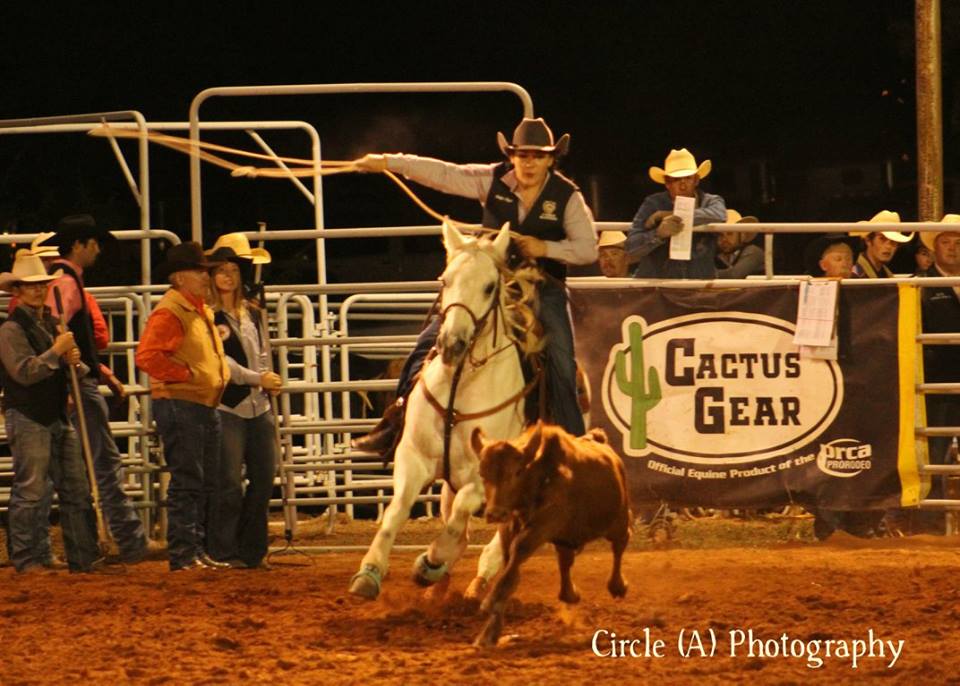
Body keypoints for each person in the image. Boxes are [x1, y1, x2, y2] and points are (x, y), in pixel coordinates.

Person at [352, 117, 597, 452]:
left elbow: (588, 249)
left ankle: (571, 448)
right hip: (490, 284)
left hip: (543, 287)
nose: (528, 162)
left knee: (561, 363)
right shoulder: (491, 179)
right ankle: (395, 424)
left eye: (537, 156)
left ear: (551, 159)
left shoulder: (567, 197)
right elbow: (445, 174)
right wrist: (388, 162)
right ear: (512, 156)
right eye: (522, 155)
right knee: (425, 345)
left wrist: (546, 248)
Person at [41, 215, 152, 563]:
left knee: (88, 461)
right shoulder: (66, 283)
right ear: (79, 245)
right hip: (75, 382)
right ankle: (128, 540)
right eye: (94, 243)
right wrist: (79, 371)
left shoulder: (65, 281)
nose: (98, 250)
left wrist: (94, 368)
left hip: (77, 378)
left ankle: (108, 540)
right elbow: (53, 326)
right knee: (103, 459)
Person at [0, 251, 101, 572]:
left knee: (74, 487)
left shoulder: (49, 323)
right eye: (30, 286)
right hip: (29, 414)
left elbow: (71, 366)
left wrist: (75, 361)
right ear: (17, 291)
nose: (38, 290)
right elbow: (24, 372)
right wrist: (57, 352)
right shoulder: (10, 329)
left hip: (53, 413)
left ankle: (82, 557)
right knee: (31, 489)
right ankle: (27, 558)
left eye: (41, 284)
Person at [136, 242, 229, 571]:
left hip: (197, 401)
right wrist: (187, 374)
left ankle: (193, 551)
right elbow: (147, 357)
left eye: (206, 271)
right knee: (191, 479)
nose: (206, 277)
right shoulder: (173, 311)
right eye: (198, 271)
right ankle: (184, 553)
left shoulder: (193, 308)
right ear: (179, 278)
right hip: (183, 401)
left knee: (200, 480)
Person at [204, 234, 281, 570]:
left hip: (258, 404)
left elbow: (263, 352)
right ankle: (223, 549)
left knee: (264, 478)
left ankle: (253, 549)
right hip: (230, 405)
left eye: (233, 269)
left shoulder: (253, 313)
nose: (228, 276)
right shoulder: (209, 316)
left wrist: (270, 378)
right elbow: (222, 362)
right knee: (229, 483)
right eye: (221, 270)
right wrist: (258, 378)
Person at [625, 148, 726, 279]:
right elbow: (631, 246)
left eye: (688, 178)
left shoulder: (711, 201)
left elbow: (720, 215)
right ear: (667, 183)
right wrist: (657, 235)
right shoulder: (652, 203)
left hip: (699, 286)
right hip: (659, 287)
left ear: (696, 180)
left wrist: (668, 214)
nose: (683, 185)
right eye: (677, 179)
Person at [850, 210, 913, 278]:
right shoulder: (854, 273)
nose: (888, 246)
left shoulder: (889, 276)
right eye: (882, 239)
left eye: (893, 241)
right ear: (868, 240)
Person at [715, 209, 763, 278]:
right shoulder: (716, 255)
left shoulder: (754, 251)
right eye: (720, 235)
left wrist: (705, 273)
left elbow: (735, 274)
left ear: (742, 235)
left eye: (729, 233)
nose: (724, 239)